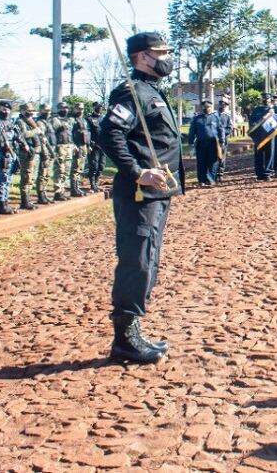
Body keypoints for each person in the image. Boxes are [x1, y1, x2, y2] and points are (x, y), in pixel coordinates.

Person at [97, 31, 184, 365]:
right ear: (143, 56)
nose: (166, 58)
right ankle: (124, 340)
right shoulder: (132, 93)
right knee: (136, 260)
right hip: (139, 192)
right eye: (160, 52)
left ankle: (134, 330)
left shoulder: (151, 92)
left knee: (148, 256)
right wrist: (137, 171)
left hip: (157, 191)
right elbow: (110, 133)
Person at [15, 103, 46, 210]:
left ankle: (28, 199)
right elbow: (23, 135)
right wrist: (36, 131)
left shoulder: (31, 121)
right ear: (22, 110)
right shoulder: (20, 121)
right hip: (26, 152)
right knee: (26, 176)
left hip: (35, 151)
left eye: (32, 110)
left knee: (32, 176)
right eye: (29, 110)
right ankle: (25, 200)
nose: (31, 112)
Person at [189, 100, 224, 186]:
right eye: (205, 107)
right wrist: (190, 142)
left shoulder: (215, 118)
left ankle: (211, 179)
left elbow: (221, 129)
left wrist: (222, 140)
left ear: (211, 108)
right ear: (202, 108)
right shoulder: (197, 119)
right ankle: (202, 180)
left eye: (208, 107)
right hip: (201, 144)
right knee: (201, 162)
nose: (206, 108)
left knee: (212, 162)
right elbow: (192, 131)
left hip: (213, 143)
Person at [0, 101, 19, 214]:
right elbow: (0, 135)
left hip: (11, 152)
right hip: (1, 152)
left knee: (7, 179)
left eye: (7, 109)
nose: (5, 111)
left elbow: (16, 135)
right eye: (3, 109)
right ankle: (2, 204)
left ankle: (5, 202)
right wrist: (11, 134)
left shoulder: (10, 121)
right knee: (2, 179)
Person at [50, 102, 74, 201]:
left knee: (67, 170)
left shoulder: (69, 120)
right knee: (60, 169)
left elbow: (70, 133)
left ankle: (63, 190)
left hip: (69, 146)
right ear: (59, 109)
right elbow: (58, 128)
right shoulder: (55, 119)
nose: (65, 110)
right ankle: (58, 191)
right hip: (60, 147)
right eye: (63, 108)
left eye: (66, 108)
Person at [35, 103, 56, 205]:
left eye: (49, 111)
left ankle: (45, 193)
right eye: (46, 111)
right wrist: (45, 153)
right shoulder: (39, 123)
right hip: (45, 151)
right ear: (40, 111)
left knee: (48, 174)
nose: (48, 113)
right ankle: (40, 195)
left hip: (51, 148)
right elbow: (41, 139)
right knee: (43, 174)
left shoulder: (48, 122)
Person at [69, 102, 90, 196]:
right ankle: (73, 189)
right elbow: (69, 133)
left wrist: (89, 146)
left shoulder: (83, 120)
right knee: (75, 168)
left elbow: (87, 133)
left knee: (80, 168)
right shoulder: (72, 120)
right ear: (74, 109)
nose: (80, 110)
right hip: (77, 146)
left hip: (84, 146)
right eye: (78, 108)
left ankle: (77, 187)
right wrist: (73, 145)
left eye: (81, 109)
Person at [85, 102, 105, 193]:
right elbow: (87, 133)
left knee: (101, 166)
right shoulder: (89, 119)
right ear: (93, 107)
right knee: (94, 166)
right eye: (97, 107)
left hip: (103, 146)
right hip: (94, 146)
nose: (99, 109)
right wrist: (88, 145)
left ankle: (96, 183)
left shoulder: (103, 118)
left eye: (100, 107)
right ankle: (92, 185)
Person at [215, 97, 233, 181]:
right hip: (214, 139)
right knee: (214, 157)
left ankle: (220, 173)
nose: (222, 106)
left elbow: (230, 128)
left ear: (226, 106)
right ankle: (214, 173)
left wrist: (222, 132)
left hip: (223, 140)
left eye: (224, 105)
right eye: (221, 104)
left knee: (222, 157)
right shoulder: (214, 115)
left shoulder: (227, 117)